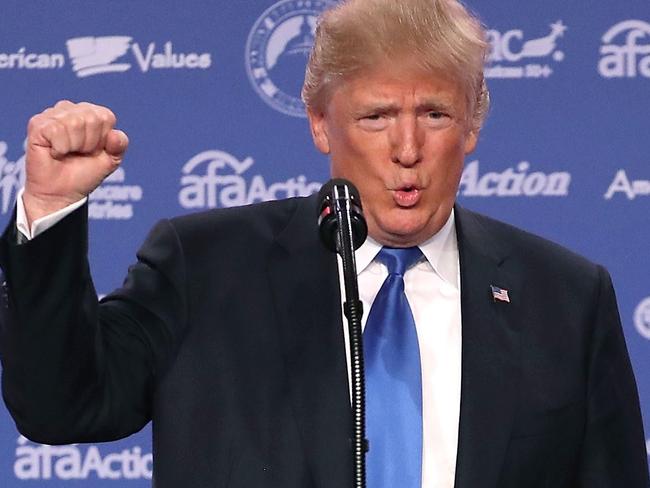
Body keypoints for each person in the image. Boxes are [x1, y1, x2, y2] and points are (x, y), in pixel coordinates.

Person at [0, 0, 647, 487]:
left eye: (435, 114)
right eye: (376, 116)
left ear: (472, 122)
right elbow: (62, 407)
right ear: (319, 122)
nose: (407, 149)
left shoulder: (566, 298)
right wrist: (52, 211)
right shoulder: (206, 268)